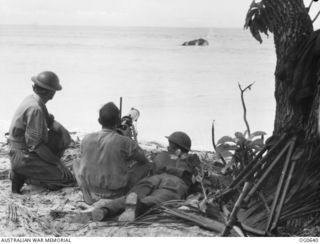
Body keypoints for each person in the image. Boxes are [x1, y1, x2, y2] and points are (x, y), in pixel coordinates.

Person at [85, 131, 200, 222]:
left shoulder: (161, 156)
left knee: (131, 196)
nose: (168, 148)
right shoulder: (191, 161)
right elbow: (195, 182)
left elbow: (151, 167)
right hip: (174, 183)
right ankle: (138, 207)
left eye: (170, 146)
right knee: (156, 199)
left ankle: (106, 210)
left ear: (176, 149)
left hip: (152, 179)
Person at [8, 71, 75, 194]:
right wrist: (58, 163)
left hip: (21, 151)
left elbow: (49, 121)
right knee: (68, 180)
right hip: (23, 156)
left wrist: (63, 133)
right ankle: (26, 175)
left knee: (59, 136)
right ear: (51, 93)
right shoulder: (35, 109)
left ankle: (31, 172)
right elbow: (36, 146)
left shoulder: (33, 99)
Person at [73, 102, 151, 205]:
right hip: (117, 195)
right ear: (118, 121)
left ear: (99, 121)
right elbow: (143, 160)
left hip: (92, 194)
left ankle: (87, 191)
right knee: (146, 165)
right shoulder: (124, 142)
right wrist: (128, 139)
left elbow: (92, 158)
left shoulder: (86, 139)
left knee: (76, 162)